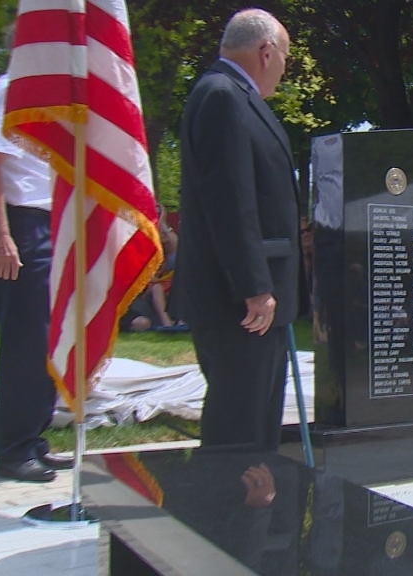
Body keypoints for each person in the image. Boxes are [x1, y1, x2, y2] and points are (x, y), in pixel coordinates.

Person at [175, 8, 302, 449]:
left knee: (257, 425)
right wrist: (254, 285)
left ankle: (245, 514)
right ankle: (226, 516)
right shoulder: (223, 97)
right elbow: (229, 201)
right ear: (266, 52)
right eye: (285, 58)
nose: (285, 70)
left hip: (252, 298)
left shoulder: (232, 97)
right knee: (240, 429)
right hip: (240, 302)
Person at [0, 61, 72, 481]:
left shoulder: (56, 97)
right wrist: (1, 234)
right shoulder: (8, 90)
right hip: (20, 224)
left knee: (48, 343)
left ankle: (32, 439)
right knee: (26, 343)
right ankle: (12, 450)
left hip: (50, 221)